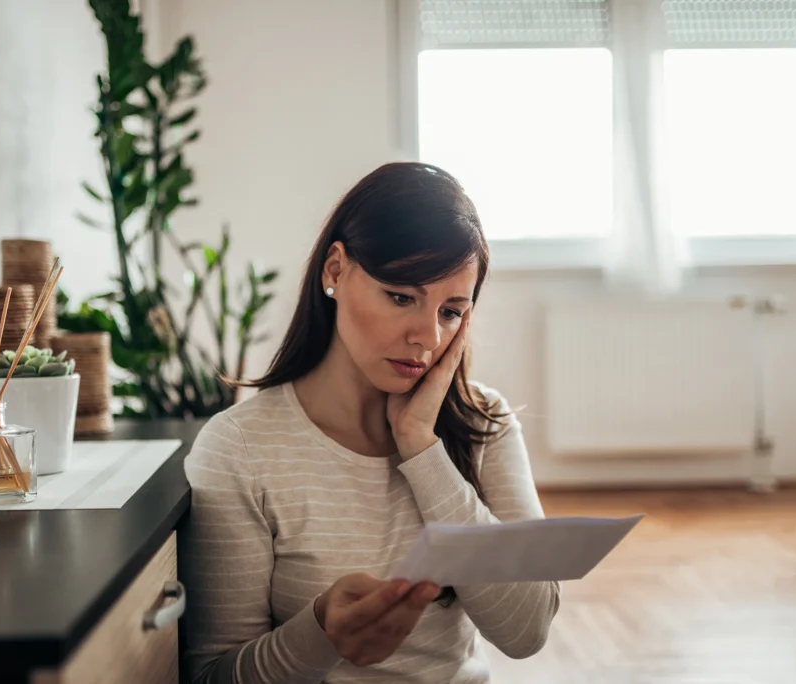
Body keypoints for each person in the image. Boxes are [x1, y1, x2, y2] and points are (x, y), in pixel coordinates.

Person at [182, 162, 561, 683]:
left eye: (451, 311)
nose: (427, 337)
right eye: (402, 297)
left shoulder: (483, 425)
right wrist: (319, 633)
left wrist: (422, 451)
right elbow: (213, 676)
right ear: (335, 271)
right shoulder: (240, 449)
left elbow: (529, 630)